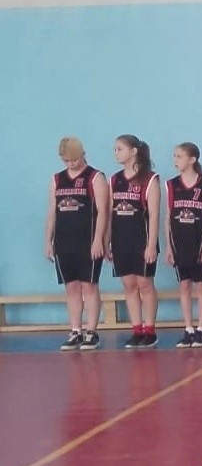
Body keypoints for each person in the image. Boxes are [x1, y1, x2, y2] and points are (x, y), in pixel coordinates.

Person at [45, 136, 110, 351]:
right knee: (71, 287)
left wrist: (98, 240)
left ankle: (91, 330)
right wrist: (48, 241)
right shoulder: (57, 179)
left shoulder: (95, 177)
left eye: (74, 159)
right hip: (64, 242)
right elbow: (52, 212)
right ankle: (75, 330)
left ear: (82, 155)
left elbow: (103, 212)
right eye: (66, 161)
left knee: (89, 285)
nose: (71, 164)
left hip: (87, 241)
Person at [109, 134, 161, 348]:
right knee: (129, 285)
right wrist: (107, 242)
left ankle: (150, 330)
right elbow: (110, 213)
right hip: (121, 240)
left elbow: (154, 216)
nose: (116, 153)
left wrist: (151, 245)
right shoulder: (115, 180)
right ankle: (137, 329)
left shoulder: (150, 179)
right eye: (115, 149)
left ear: (133, 151)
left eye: (119, 149)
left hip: (142, 239)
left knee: (145, 285)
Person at [165, 142, 202, 348]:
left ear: (192, 159)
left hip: (199, 242)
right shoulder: (172, 185)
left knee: (200, 285)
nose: (175, 160)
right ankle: (188, 328)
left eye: (179, 156)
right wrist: (169, 246)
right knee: (184, 285)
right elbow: (168, 217)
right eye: (174, 156)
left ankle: (201, 329)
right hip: (179, 242)